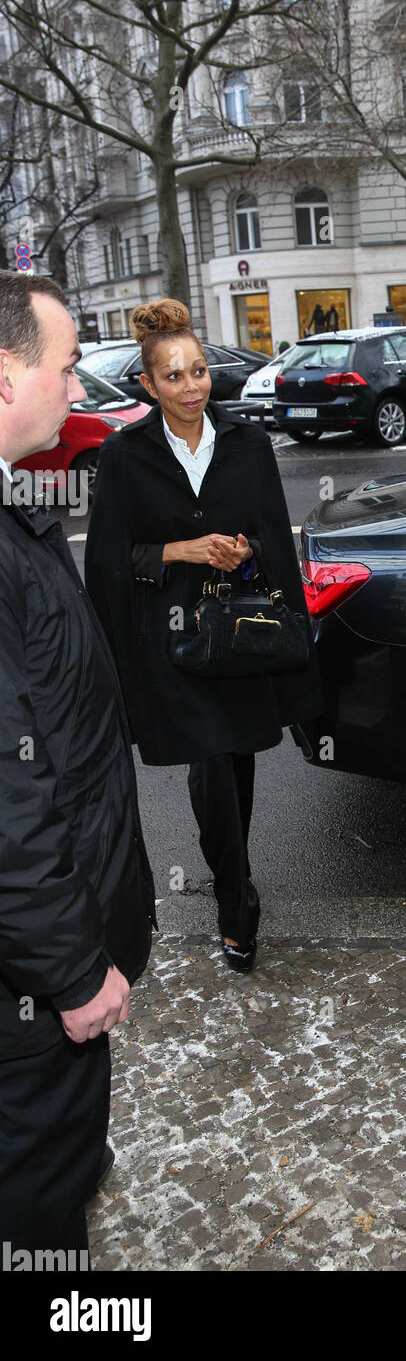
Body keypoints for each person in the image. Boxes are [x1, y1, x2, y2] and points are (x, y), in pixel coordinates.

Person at [85, 300, 321, 973]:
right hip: (168, 639)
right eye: (173, 376)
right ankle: (236, 899)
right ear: (148, 386)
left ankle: (229, 868)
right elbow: (110, 560)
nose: (191, 387)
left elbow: (274, 537)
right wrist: (182, 551)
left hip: (237, 631)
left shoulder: (246, 442)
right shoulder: (124, 455)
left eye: (198, 371)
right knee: (213, 758)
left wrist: (241, 552)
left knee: (227, 761)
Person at [0, 272, 155, 1253]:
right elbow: (8, 800)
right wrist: (68, 972)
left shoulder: (20, 502)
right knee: (40, 1203)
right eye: (64, 367)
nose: (75, 389)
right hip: (32, 990)